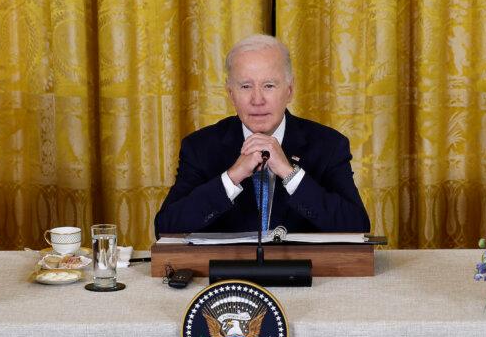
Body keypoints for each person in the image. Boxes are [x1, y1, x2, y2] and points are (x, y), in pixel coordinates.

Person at [154, 35, 369, 236]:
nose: (257, 100)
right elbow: (166, 228)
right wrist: (232, 177)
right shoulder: (200, 147)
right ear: (231, 94)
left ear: (290, 90)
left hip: (307, 274)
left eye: (269, 85)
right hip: (227, 275)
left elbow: (357, 227)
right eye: (246, 86)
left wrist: (288, 173)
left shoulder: (329, 145)